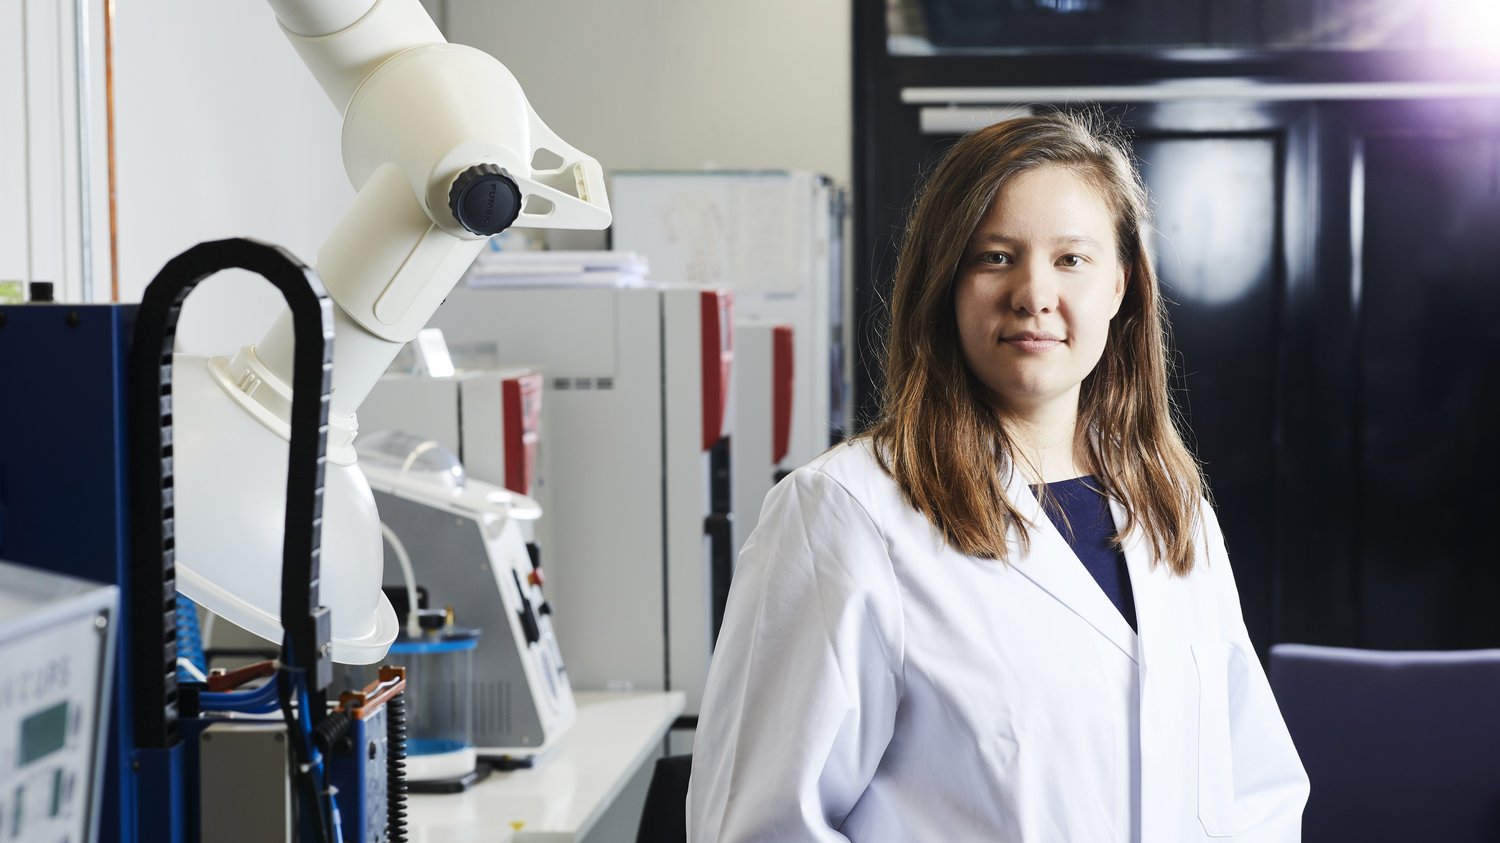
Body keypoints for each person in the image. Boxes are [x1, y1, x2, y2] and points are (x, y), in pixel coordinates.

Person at [686, 112, 1309, 842]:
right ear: (945, 281)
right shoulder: (846, 513)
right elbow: (761, 825)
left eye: (1071, 259)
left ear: (1122, 287)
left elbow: (1254, 787)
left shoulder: (1171, 506)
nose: (1033, 293)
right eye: (995, 256)